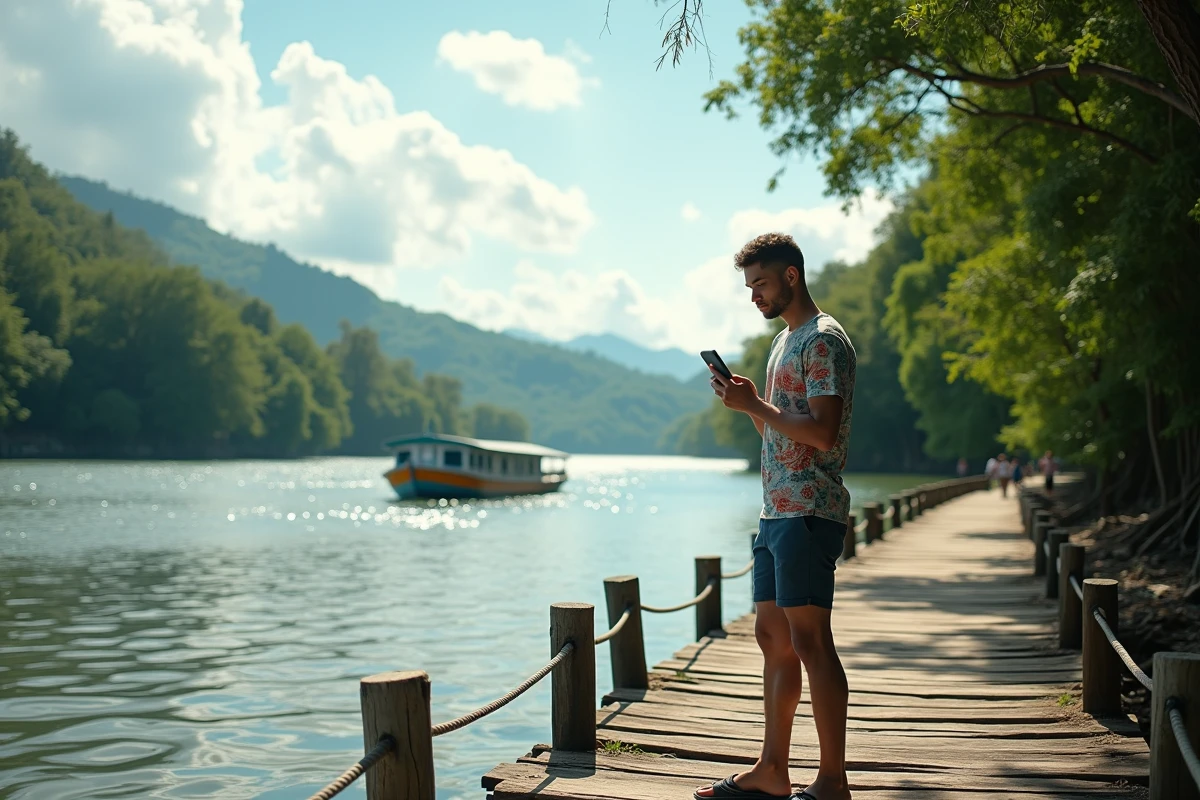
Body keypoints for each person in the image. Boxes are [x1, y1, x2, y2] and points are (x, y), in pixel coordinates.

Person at [699, 232, 855, 800]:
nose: (754, 296)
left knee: (812, 641)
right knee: (773, 636)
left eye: (760, 283)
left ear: (791, 275)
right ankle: (772, 770)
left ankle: (832, 781)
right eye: (749, 286)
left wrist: (758, 404)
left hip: (810, 510)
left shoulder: (823, 340)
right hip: (775, 513)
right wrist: (747, 406)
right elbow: (778, 434)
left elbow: (823, 433)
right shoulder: (783, 341)